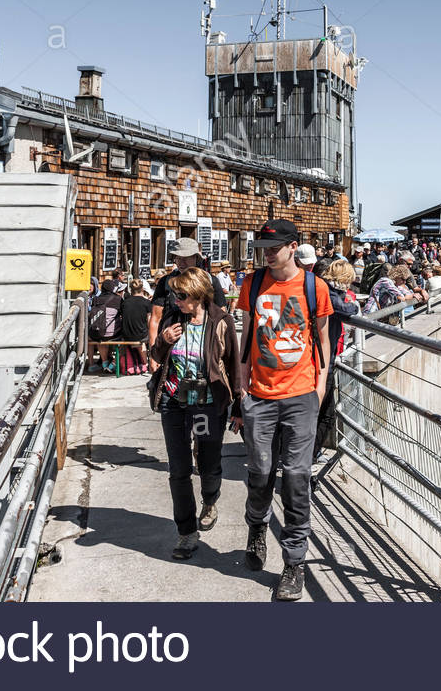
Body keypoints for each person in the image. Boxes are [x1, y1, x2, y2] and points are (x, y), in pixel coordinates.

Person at [233, 218, 332, 601]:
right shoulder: (252, 284)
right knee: (259, 471)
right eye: (263, 249)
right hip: (259, 393)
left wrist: (319, 388)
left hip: (301, 393)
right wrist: (243, 385)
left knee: (295, 476)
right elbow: (246, 335)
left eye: (274, 248)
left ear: (294, 247)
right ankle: (257, 526)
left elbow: (323, 340)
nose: (268, 255)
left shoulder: (314, 286)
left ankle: (294, 562)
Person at [147, 267, 239, 560]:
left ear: (199, 295)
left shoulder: (221, 322)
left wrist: (238, 406)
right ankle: (186, 532)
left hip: (206, 403)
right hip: (174, 401)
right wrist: (163, 340)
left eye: (182, 295)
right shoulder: (174, 318)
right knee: (179, 470)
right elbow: (156, 357)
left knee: (208, 462)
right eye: (174, 294)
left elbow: (234, 365)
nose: (176, 300)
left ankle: (210, 499)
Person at [149, 237, 228, 363]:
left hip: (204, 345)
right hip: (171, 343)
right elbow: (155, 318)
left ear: (196, 258)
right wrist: (153, 355)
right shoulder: (166, 282)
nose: (181, 262)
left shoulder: (210, 281)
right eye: (178, 258)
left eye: (186, 258)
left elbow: (222, 315)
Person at [317, 258, 358, 461]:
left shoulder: (324, 288)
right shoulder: (328, 292)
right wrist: (352, 305)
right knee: (324, 413)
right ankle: (308, 457)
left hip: (323, 356)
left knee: (325, 412)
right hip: (323, 360)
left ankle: (307, 456)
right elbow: (345, 309)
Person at [88, 279, 124, 371]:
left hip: (96, 333)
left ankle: (104, 363)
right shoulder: (118, 299)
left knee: (100, 335)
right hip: (112, 334)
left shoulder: (95, 299)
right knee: (125, 338)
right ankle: (113, 364)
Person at [118, 278, 151, 374]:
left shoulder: (125, 302)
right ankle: (145, 364)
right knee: (143, 339)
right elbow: (149, 322)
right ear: (142, 289)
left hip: (126, 335)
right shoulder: (147, 303)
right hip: (140, 335)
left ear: (130, 290)